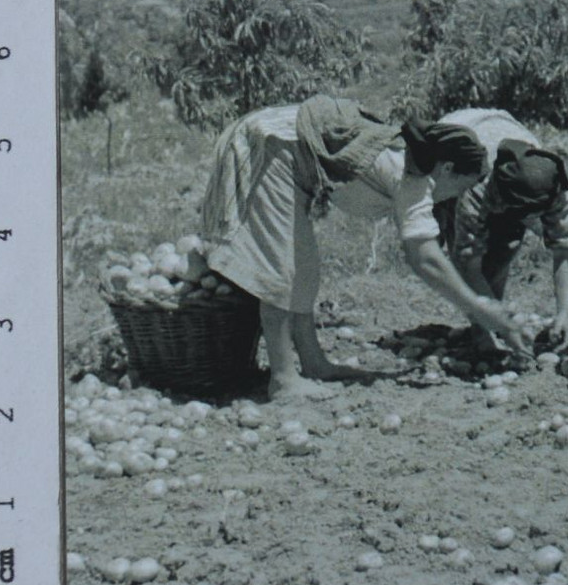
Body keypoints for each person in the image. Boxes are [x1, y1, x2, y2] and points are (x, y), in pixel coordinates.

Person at [200, 95, 529, 400]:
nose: (457, 196)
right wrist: (480, 307)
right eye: (462, 186)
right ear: (446, 169)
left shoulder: (416, 164)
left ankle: (314, 363)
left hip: (290, 150)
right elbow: (424, 259)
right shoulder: (413, 178)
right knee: (281, 266)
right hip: (273, 144)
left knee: (304, 265)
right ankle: (284, 378)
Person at [432, 108, 568, 350]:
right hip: (449, 145)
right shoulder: (476, 188)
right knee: (443, 240)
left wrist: (564, 313)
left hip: (500, 126)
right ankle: (483, 328)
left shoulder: (552, 184)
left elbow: (564, 251)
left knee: (504, 248)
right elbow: (468, 263)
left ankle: (488, 323)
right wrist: (500, 320)